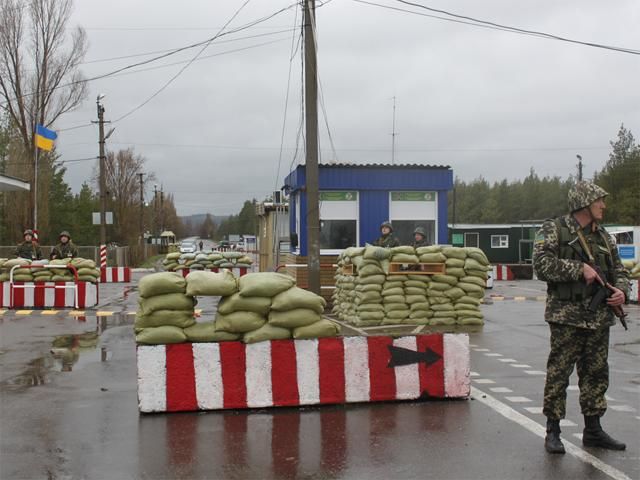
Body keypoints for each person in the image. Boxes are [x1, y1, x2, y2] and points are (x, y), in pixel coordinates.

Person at [533, 181, 629, 455]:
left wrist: (621, 291)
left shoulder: (604, 237)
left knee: (596, 373)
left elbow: (620, 270)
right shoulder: (554, 229)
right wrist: (579, 269)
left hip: (599, 318)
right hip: (567, 316)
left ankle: (593, 430)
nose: (603, 205)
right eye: (599, 200)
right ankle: (553, 430)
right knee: (559, 373)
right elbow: (541, 264)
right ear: (585, 202)